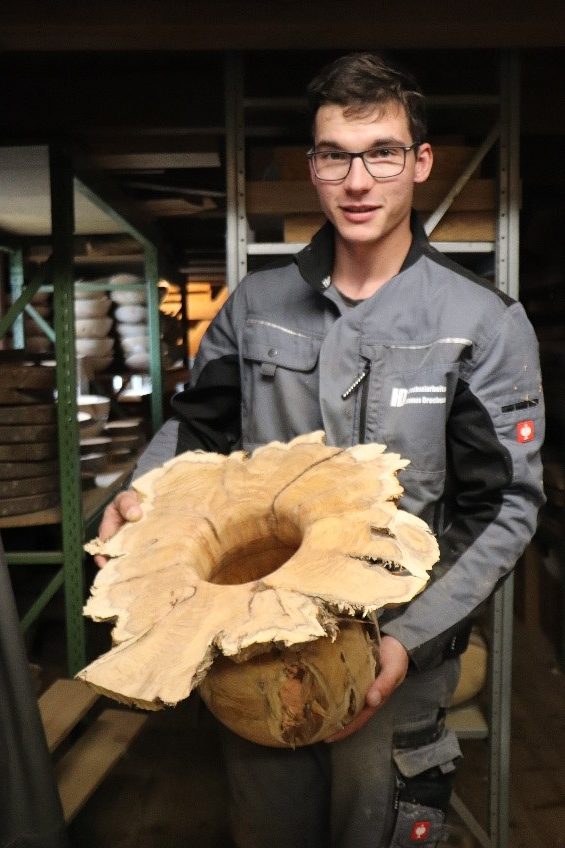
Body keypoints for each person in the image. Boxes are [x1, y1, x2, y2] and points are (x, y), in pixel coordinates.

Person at [97, 52, 545, 848]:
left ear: (420, 163)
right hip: (255, 653)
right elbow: (199, 428)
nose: (357, 181)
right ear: (313, 167)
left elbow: (503, 505)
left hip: (392, 658)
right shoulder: (257, 305)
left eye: (382, 154)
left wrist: (408, 638)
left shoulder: (479, 321)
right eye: (335, 155)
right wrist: (143, 496)